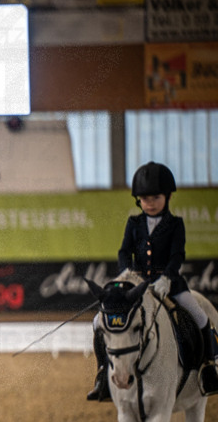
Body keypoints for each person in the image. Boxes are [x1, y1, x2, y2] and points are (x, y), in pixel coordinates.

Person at [87, 161, 218, 400]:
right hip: (137, 285)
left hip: (170, 284)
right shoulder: (134, 223)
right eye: (145, 199)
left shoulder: (175, 224)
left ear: (168, 197)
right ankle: (103, 372)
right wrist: (127, 273)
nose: (151, 203)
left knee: (200, 316)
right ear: (139, 200)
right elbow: (124, 252)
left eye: (156, 198)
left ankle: (209, 367)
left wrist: (167, 277)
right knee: (98, 321)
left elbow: (177, 255)